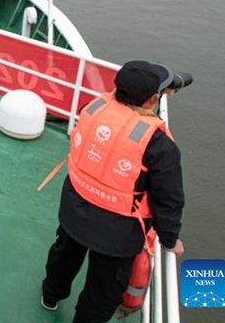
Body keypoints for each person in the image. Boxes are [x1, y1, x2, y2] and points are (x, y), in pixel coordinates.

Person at [41, 60, 187, 322]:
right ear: (154, 98)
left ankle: (50, 296)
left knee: (63, 257)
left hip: (75, 207)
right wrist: (169, 239)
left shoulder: (93, 108)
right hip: (117, 232)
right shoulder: (158, 144)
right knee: (103, 289)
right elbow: (168, 199)